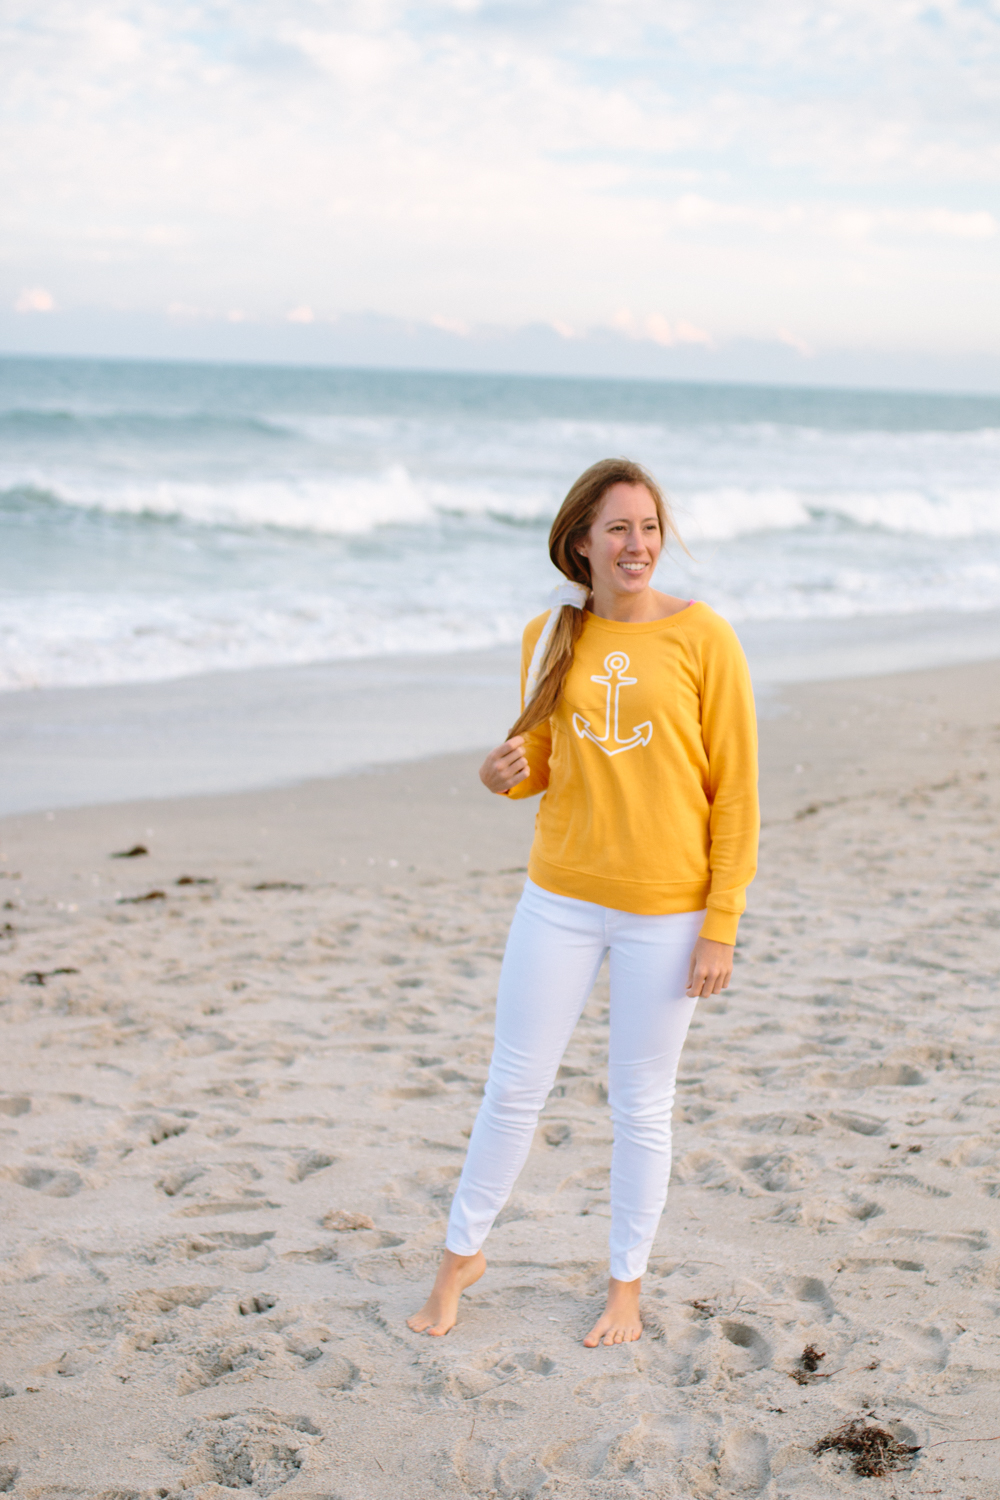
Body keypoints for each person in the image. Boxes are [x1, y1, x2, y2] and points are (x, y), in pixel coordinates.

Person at [407, 457, 759, 1347]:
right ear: (582, 543)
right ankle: (458, 1260)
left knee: (641, 1104)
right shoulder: (551, 636)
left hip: (668, 914)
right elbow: (544, 767)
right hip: (558, 899)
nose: (637, 545)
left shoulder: (705, 638)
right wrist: (500, 777)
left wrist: (721, 924)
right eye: (618, 530)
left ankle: (625, 1289)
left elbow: (737, 794)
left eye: (647, 527)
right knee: (513, 1087)